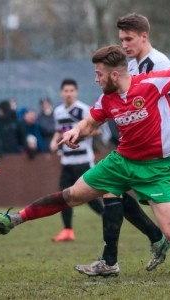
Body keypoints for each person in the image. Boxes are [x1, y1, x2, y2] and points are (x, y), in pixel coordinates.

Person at [0, 45, 170, 281]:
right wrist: (75, 131)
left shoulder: (150, 83)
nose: (95, 79)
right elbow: (91, 120)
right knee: (72, 194)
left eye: (98, 74)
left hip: (154, 169)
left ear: (115, 74)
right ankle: (13, 220)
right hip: (119, 162)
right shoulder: (107, 98)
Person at [76, 13, 170, 276]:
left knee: (114, 192)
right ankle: (120, 256)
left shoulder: (158, 62)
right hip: (136, 142)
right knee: (111, 192)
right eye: (121, 39)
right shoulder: (132, 64)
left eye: (128, 38)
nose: (123, 44)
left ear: (143, 36)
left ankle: (125, 254)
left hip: (157, 145)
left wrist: (143, 133)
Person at [49, 78, 104, 242]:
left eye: (71, 90)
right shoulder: (58, 111)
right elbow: (59, 131)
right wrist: (54, 142)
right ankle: (67, 230)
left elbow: (96, 131)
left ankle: (107, 217)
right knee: (64, 196)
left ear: (76, 92)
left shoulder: (82, 109)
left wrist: (77, 135)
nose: (68, 93)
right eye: (66, 91)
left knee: (89, 197)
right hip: (66, 161)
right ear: (61, 93)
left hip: (83, 161)